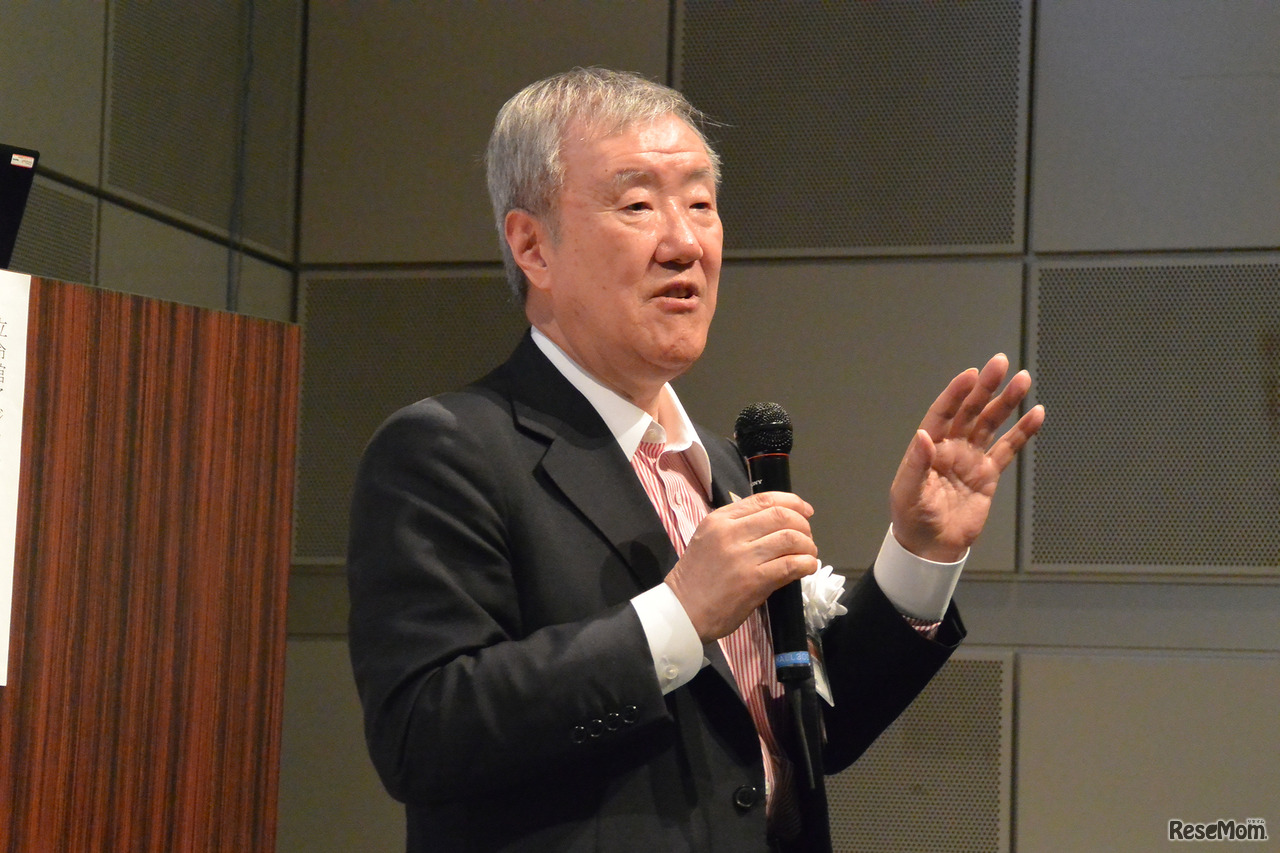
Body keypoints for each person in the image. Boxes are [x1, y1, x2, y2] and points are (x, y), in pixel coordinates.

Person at [347, 67, 1044, 853]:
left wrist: (920, 551)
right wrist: (677, 615)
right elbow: (424, 733)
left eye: (702, 204)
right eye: (638, 205)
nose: (684, 243)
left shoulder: (718, 462)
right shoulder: (446, 449)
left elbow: (807, 734)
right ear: (532, 245)